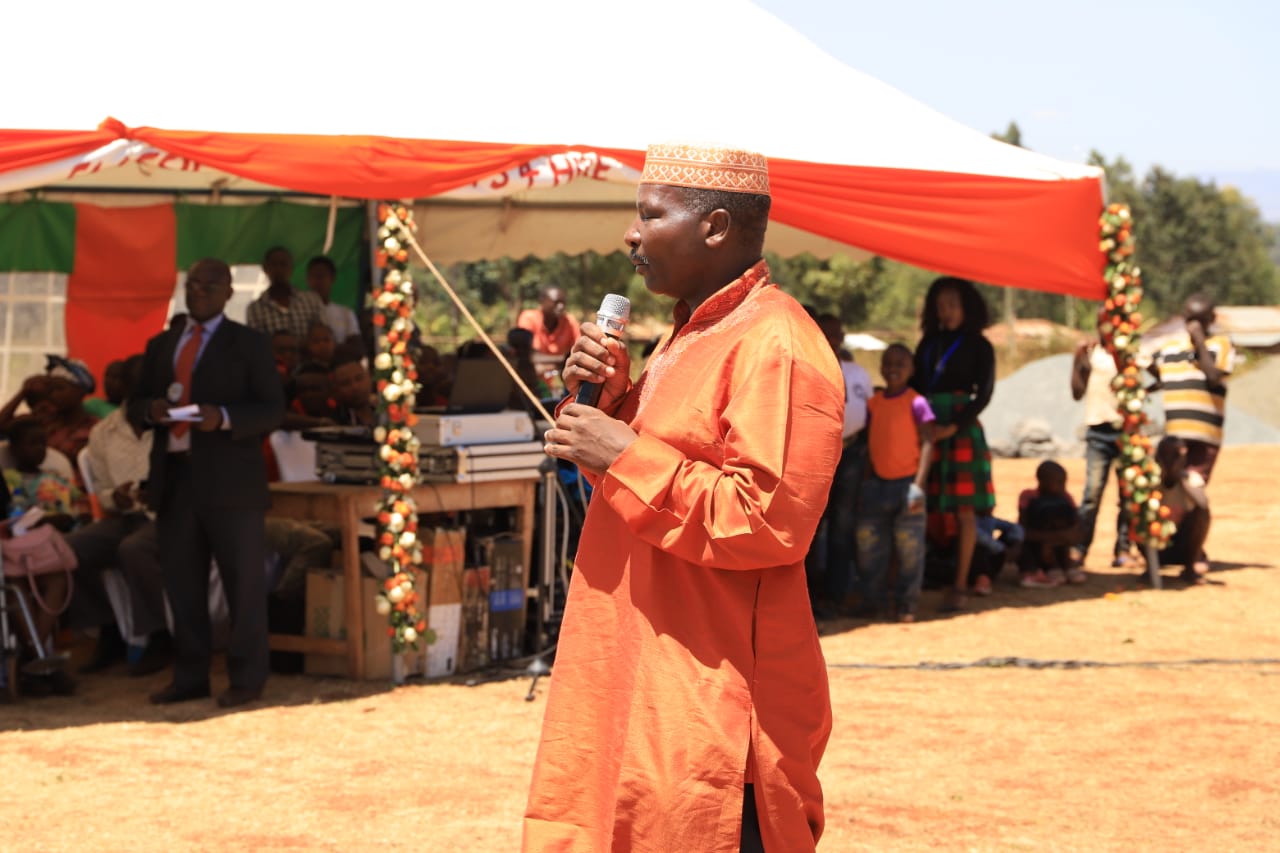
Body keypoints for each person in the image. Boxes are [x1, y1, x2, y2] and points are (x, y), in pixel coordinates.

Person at [526, 143, 843, 853]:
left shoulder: (776, 342)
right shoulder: (686, 333)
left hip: (713, 709)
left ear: (716, 226)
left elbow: (764, 520)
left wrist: (623, 450)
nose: (631, 235)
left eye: (650, 214)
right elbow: (636, 493)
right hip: (635, 678)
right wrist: (604, 406)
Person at [131, 258, 284, 709]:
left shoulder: (249, 344)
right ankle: (191, 675)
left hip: (231, 484)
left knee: (243, 586)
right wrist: (150, 411)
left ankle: (247, 677)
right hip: (176, 480)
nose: (199, 292)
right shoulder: (162, 345)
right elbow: (133, 402)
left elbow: (272, 409)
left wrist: (226, 418)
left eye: (210, 286)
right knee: (182, 584)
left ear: (228, 293)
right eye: (193, 284)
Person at [65, 354, 172, 677]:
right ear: (125, 388)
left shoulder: (176, 424)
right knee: (68, 549)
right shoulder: (104, 432)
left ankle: (160, 636)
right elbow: (104, 493)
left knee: (133, 549)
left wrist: (162, 493)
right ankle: (107, 628)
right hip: (126, 518)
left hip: (170, 518)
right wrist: (119, 497)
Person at [911, 277, 997, 612]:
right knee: (923, 505)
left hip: (959, 429)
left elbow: (984, 394)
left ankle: (961, 583)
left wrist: (953, 425)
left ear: (968, 307)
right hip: (928, 427)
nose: (944, 310)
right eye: (940, 304)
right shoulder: (928, 344)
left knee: (965, 512)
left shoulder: (979, 345)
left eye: (952, 304)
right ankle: (917, 577)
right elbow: (916, 387)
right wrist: (925, 422)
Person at [2, 416, 90, 696]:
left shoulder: (56, 479)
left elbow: (77, 510)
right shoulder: (8, 480)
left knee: (57, 580)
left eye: (43, 443)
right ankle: (42, 661)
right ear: (13, 448)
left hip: (46, 552)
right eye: (31, 444)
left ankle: (35, 659)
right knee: (20, 588)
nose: (39, 449)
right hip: (14, 554)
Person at [854, 343, 935, 622]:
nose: (893, 369)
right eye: (888, 363)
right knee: (869, 548)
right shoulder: (873, 404)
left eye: (901, 363)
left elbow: (928, 441)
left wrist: (919, 485)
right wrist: (866, 479)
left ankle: (906, 604)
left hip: (907, 487)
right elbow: (869, 443)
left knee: (909, 549)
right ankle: (873, 602)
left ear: (911, 369)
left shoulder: (917, 402)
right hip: (876, 486)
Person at [808, 313, 872, 617]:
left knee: (843, 527)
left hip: (851, 454)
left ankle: (837, 593)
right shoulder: (806, 366)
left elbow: (869, 413)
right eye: (826, 333)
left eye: (837, 334)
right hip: (815, 457)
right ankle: (810, 596)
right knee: (812, 527)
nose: (833, 340)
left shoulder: (857, 372)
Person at [1070, 316, 1134, 568]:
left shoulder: (1130, 352)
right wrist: (1079, 363)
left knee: (1128, 495)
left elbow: (1154, 372)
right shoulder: (1091, 353)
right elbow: (1076, 392)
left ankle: (1123, 549)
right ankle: (1079, 549)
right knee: (1092, 494)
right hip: (1098, 431)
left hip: (1126, 433)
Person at [1151, 293, 1234, 483]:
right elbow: (1158, 374)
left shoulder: (1221, 345)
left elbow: (1212, 377)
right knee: (1167, 488)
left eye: (1201, 320)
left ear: (1212, 319)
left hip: (1204, 437)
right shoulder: (1170, 348)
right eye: (1190, 320)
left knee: (1193, 487)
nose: (1194, 325)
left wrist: (1199, 341)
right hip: (1174, 437)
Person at [1150, 436, 1212, 584]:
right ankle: (1151, 566)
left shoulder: (1191, 479)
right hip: (1158, 547)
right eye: (1170, 456)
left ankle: (1189, 567)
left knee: (1202, 514)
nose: (1175, 461)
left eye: (1178, 457)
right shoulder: (1150, 482)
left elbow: (1203, 504)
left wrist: (1179, 477)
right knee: (1138, 512)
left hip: (1183, 547)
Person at [1016, 460, 1085, 587]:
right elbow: (1022, 530)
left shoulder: (1066, 497)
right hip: (1037, 543)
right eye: (1058, 482)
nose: (1063, 486)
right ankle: (1043, 568)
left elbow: (1076, 524)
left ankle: (1065, 564)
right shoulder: (1029, 497)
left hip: (1061, 543)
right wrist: (1053, 537)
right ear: (1042, 481)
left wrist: (1068, 535)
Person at [245, 246, 324, 340]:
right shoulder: (255, 308)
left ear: (291, 268)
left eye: (283, 264)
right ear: (265, 269)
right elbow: (258, 344)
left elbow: (321, 337)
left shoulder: (311, 301)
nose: (279, 269)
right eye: (274, 264)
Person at [305, 255, 362, 349]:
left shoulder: (346, 313)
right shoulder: (300, 312)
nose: (317, 281)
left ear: (332, 278)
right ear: (307, 279)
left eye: (321, 276)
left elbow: (357, 346)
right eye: (313, 276)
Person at [330, 355, 374, 426]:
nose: (355, 387)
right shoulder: (335, 423)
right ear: (336, 389)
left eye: (359, 378)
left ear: (369, 377)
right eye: (345, 383)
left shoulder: (386, 412)